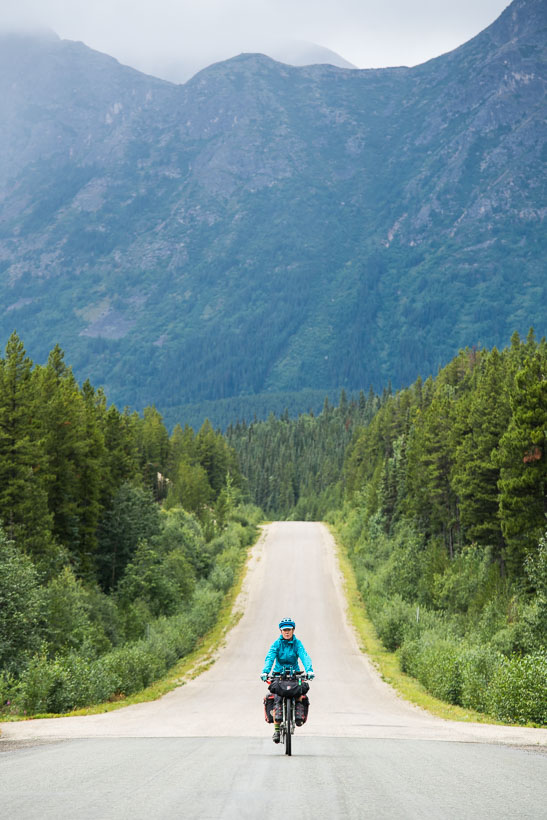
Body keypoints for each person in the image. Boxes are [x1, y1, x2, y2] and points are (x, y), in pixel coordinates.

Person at [261, 617, 315, 743]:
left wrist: (309, 670)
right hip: (278, 673)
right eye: (284, 630)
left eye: (289, 630)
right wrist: (265, 671)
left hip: (294, 673)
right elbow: (270, 657)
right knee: (277, 698)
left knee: (299, 692)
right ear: (280, 631)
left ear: (293, 630)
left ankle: (298, 715)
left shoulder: (297, 643)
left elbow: (304, 655)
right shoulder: (276, 644)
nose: (287, 632)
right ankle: (277, 730)